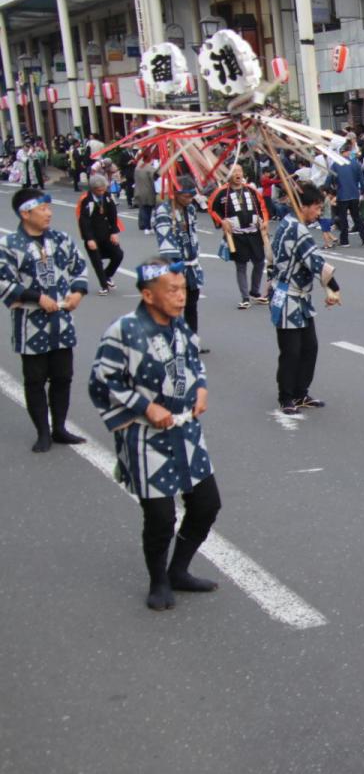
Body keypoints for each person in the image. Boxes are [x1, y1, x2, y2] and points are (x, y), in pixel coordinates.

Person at [88, 257, 223, 611]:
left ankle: (179, 570)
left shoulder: (179, 327)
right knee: (161, 517)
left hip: (186, 432)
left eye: (183, 289)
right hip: (146, 436)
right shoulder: (124, 330)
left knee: (207, 505)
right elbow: (102, 379)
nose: (181, 297)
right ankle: (158, 580)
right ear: (148, 295)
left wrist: (202, 389)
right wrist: (146, 408)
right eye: (172, 290)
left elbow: (194, 362)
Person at [0, 189, 89, 451]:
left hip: (61, 323)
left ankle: (59, 427)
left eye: (49, 209)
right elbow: (3, 281)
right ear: (25, 213)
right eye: (43, 209)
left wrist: (77, 292)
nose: (49, 213)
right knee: (35, 379)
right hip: (30, 324)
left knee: (63, 377)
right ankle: (42, 431)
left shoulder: (62, 239)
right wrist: (36, 297)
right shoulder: (9, 246)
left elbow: (79, 267)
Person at [269, 183, 342, 415]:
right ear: (304, 206)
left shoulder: (290, 224)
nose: (319, 213)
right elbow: (315, 260)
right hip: (288, 296)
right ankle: (287, 396)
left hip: (297, 297)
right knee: (291, 350)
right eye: (317, 208)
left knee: (309, 347)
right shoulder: (295, 228)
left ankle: (301, 392)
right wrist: (334, 288)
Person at [209, 164, 271, 309]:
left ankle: (255, 291)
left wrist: (266, 221)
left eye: (240, 171)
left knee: (260, 261)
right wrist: (221, 221)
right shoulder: (221, 192)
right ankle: (245, 297)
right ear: (229, 175)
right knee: (241, 265)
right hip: (236, 234)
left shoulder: (251, 190)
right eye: (235, 172)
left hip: (254, 232)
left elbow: (262, 208)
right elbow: (212, 209)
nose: (238, 174)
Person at [154, 177, 205, 336]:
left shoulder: (190, 209)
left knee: (192, 303)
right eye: (186, 196)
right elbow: (164, 237)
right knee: (174, 305)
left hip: (192, 264)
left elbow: (193, 234)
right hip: (175, 265)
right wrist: (174, 263)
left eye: (191, 196)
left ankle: (192, 338)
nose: (189, 199)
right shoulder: (164, 211)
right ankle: (170, 337)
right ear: (175, 194)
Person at [77, 173, 124, 295]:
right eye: (99, 190)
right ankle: (104, 286)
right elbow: (84, 221)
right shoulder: (86, 200)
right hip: (92, 235)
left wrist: (114, 232)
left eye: (104, 189)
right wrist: (89, 238)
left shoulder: (107, 197)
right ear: (92, 189)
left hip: (106, 233)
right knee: (97, 261)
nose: (102, 192)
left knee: (118, 254)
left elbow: (113, 215)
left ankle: (107, 275)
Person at [331, 143, 364, 246]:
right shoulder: (356, 164)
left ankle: (344, 241)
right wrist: (363, 191)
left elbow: (330, 179)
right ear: (349, 152)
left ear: (341, 153)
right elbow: (362, 180)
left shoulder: (335, 165)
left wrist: (331, 189)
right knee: (356, 216)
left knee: (343, 218)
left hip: (342, 194)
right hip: (354, 194)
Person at [133, 155, 158, 234]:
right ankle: (148, 226)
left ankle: (145, 226)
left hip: (138, 190)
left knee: (143, 209)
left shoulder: (137, 168)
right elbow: (155, 178)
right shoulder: (150, 169)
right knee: (148, 210)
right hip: (148, 191)